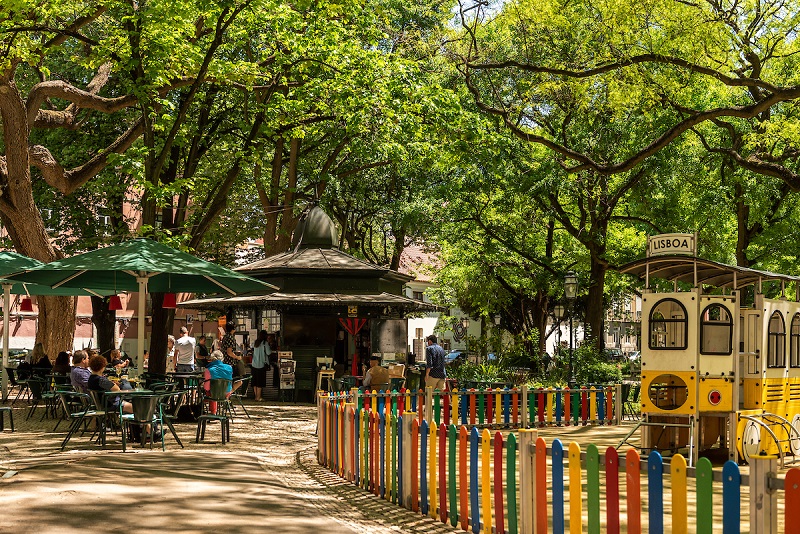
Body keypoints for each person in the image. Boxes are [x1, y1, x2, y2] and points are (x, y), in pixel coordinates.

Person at [251, 330, 270, 401]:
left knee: (255, 382)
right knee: (260, 382)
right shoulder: (265, 343)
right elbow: (268, 353)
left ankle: (256, 396)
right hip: (262, 365)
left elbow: (251, 347)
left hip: (254, 364)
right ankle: (258, 397)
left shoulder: (256, 342)